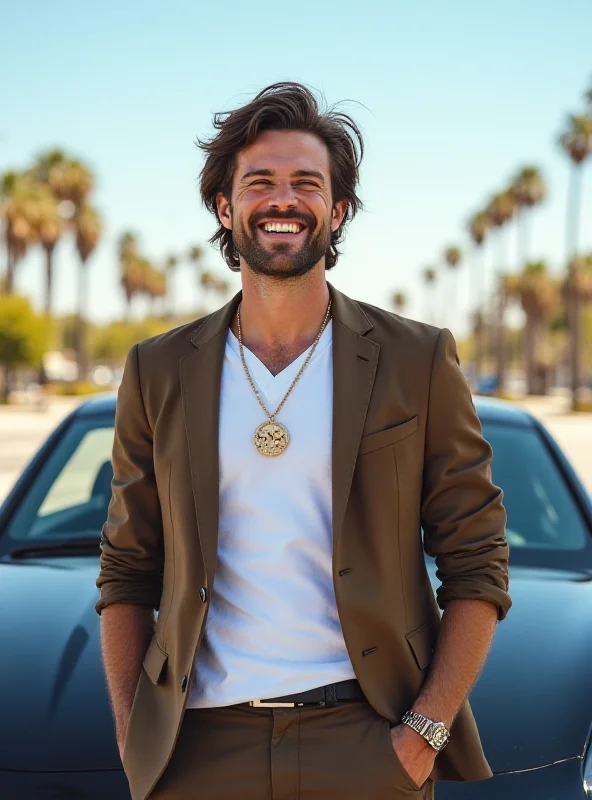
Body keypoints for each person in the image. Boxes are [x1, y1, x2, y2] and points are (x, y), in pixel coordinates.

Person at [96, 82, 511, 800]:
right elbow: (127, 566)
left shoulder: (417, 360)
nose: (282, 199)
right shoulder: (157, 370)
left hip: (366, 740)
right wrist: (134, 730)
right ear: (225, 208)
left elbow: (477, 559)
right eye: (259, 182)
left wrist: (425, 733)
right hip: (197, 747)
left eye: (306, 183)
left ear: (337, 209)